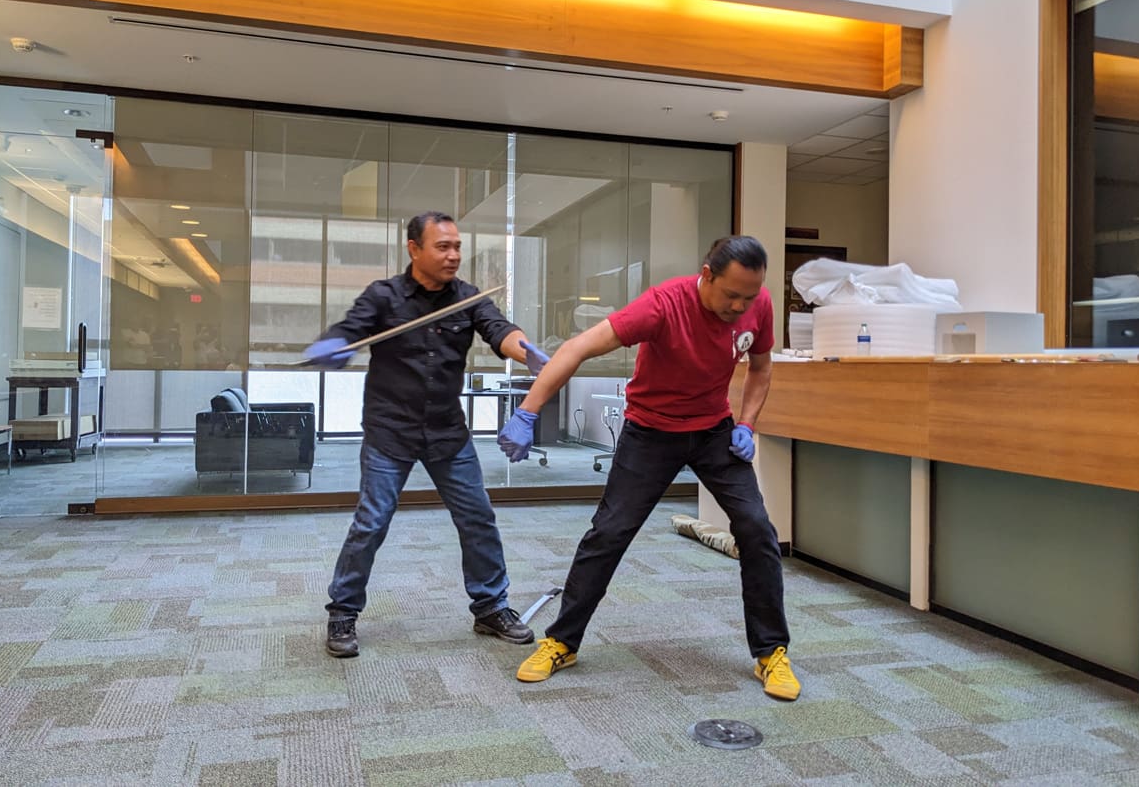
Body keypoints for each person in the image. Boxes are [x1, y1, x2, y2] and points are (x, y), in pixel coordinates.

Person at [497, 235, 800, 701]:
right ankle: (561, 642)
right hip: (651, 432)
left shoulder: (755, 306)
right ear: (706, 275)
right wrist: (528, 412)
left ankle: (771, 652)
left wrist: (747, 423)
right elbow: (576, 348)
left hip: (714, 431)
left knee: (757, 528)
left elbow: (760, 368)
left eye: (749, 296)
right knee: (610, 532)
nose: (740, 306)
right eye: (730, 295)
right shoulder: (662, 305)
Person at [305, 211, 551, 658]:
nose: (454, 255)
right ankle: (343, 610)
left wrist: (526, 349)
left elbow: (499, 330)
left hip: (446, 432)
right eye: (443, 247)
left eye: (457, 246)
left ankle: (490, 607)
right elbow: (351, 329)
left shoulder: (469, 298)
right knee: (372, 522)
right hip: (390, 432)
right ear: (414, 248)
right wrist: (334, 346)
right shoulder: (384, 297)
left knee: (477, 518)